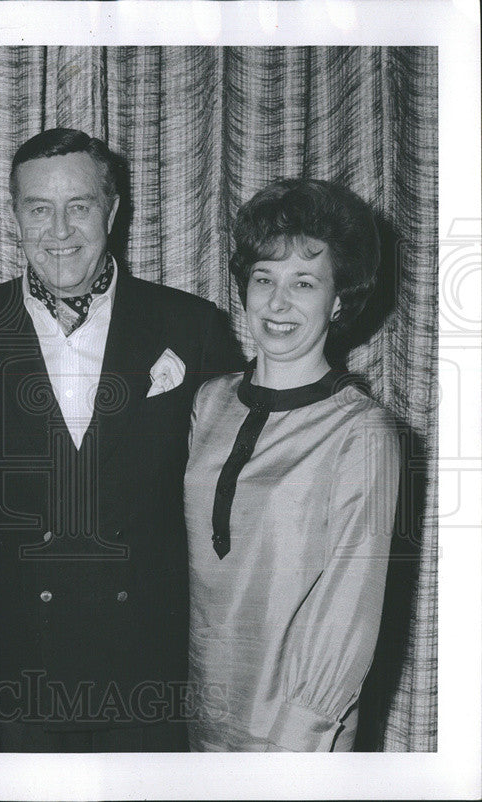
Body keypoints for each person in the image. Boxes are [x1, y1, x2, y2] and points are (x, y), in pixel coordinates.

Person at [0, 128, 241, 751]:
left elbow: (234, 496)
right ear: (15, 217)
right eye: (38, 209)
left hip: (148, 668)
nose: (60, 230)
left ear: (113, 210)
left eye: (80, 206)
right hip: (15, 668)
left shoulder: (191, 325)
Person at [184, 178, 401, 752]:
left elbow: (351, 611)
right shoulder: (210, 402)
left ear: (337, 298)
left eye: (303, 282)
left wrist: (302, 734)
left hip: (297, 730)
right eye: (264, 279)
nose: (278, 303)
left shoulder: (362, 431)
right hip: (200, 712)